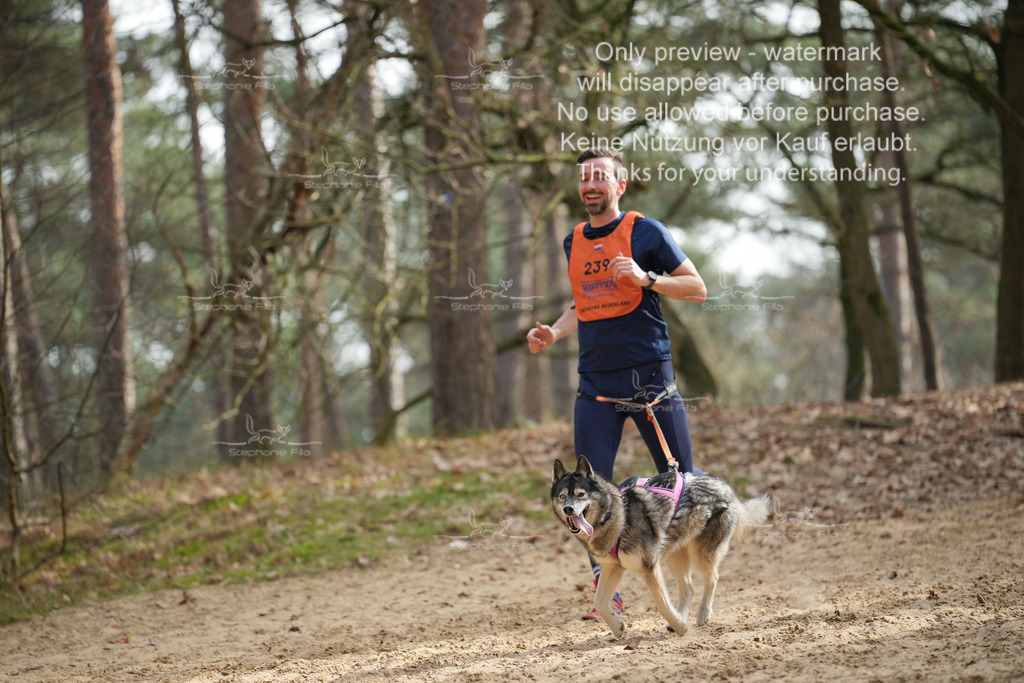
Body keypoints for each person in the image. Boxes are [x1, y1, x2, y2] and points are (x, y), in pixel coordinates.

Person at [527, 147, 707, 620]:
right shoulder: (573, 241)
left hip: (650, 382)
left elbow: (697, 288)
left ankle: (687, 582)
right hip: (596, 386)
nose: (590, 185)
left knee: (683, 484)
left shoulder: (647, 232)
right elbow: (582, 303)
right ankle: (608, 593)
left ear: (619, 185)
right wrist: (553, 332)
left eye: (600, 177)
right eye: (583, 178)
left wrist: (648, 278)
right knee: (585, 491)